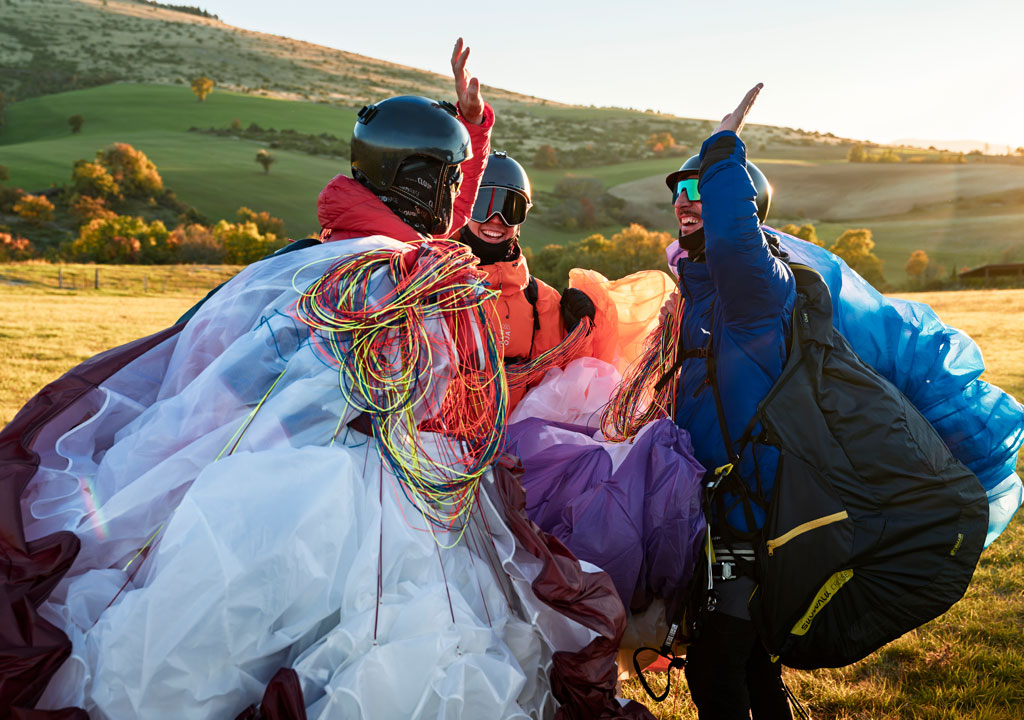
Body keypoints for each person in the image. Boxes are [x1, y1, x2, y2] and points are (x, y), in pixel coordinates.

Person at [662, 86, 1023, 719]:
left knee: (717, 667)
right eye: (677, 193)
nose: (682, 202)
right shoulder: (701, 298)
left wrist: (721, 149)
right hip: (727, 508)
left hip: (759, 510)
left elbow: (733, 244)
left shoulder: (757, 291)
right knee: (749, 660)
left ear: (741, 207)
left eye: (697, 190)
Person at [317, 38, 494, 245]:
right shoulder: (403, 258)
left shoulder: (403, 236)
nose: (457, 184)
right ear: (404, 176)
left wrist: (472, 121)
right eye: (447, 174)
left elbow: (457, 206)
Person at [455, 151, 596, 409]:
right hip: (434, 434)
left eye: (510, 209)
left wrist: (579, 336)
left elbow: (563, 384)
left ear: (521, 219)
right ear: (463, 207)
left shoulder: (542, 300)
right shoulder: (431, 285)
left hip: (514, 433)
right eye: (483, 204)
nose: (496, 219)